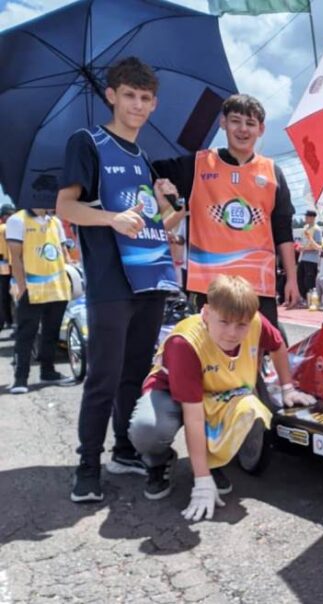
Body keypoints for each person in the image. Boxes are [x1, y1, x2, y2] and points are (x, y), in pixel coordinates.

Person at [56, 57, 182, 503]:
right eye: (129, 95)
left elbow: (159, 225)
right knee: (103, 376)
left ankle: (125, 451)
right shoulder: (87, 142)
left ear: (154, 104)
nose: (137, 104)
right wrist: (111, 218)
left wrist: (171, 202)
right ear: (111, 95)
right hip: (110, 281)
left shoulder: (144, 158)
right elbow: (65, 208)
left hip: (151, 279)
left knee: (134, 372)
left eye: (145, 98)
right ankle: (87, 465)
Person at [129, 275, 315, 521]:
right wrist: (201, 481)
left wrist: (287, 388)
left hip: (219, 390)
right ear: (206, 313)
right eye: (224, 322)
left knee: (253, 409)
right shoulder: (185, 343)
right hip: (171, 393)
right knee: (148, 429)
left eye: (241, 325)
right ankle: (159, 461)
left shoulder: (255, 322)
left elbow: (278, 345)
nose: (232, 333)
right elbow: (194, 417)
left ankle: (213, 460)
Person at [154, 93, 300, 327]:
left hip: (258, 285)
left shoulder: (273, 172)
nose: (243, 129)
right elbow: (149, 170)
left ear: (261, 129)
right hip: (208, 285)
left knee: (257, 355)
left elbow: (283, 232)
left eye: (250, 123)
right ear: (223, 123)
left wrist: (292, 279)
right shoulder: (197, 164)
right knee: (209, 357)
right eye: (235, 121)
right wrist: (162, 187)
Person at [5, 208, 74, 393]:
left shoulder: (55, 221)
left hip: (57, 286)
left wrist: (71, 275)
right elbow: (16, 257)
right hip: (31, 287)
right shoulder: (17, 220)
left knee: (51, 333)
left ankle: (48, 371)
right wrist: (21, 286)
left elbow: (63, 251)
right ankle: (20, 378)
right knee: (26, 334)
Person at [296, 209, 323, 304]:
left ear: (312, 218)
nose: (305, 218)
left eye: (307, 216)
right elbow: (302, 242)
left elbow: (319, 245)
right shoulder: (305, 228)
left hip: (312, 260)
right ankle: (304, 298)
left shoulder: (317, 229)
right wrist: (299, 247)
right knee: (300, 279)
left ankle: (311, 300)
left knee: (309, 281)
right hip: (302, 258)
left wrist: (304, 249)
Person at [0, 204, 15, 331]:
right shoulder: (5, 229)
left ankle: (7, 320)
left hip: (5, 265)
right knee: (9, 294)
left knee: (4, 294)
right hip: (9, 265)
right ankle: (10, 320)